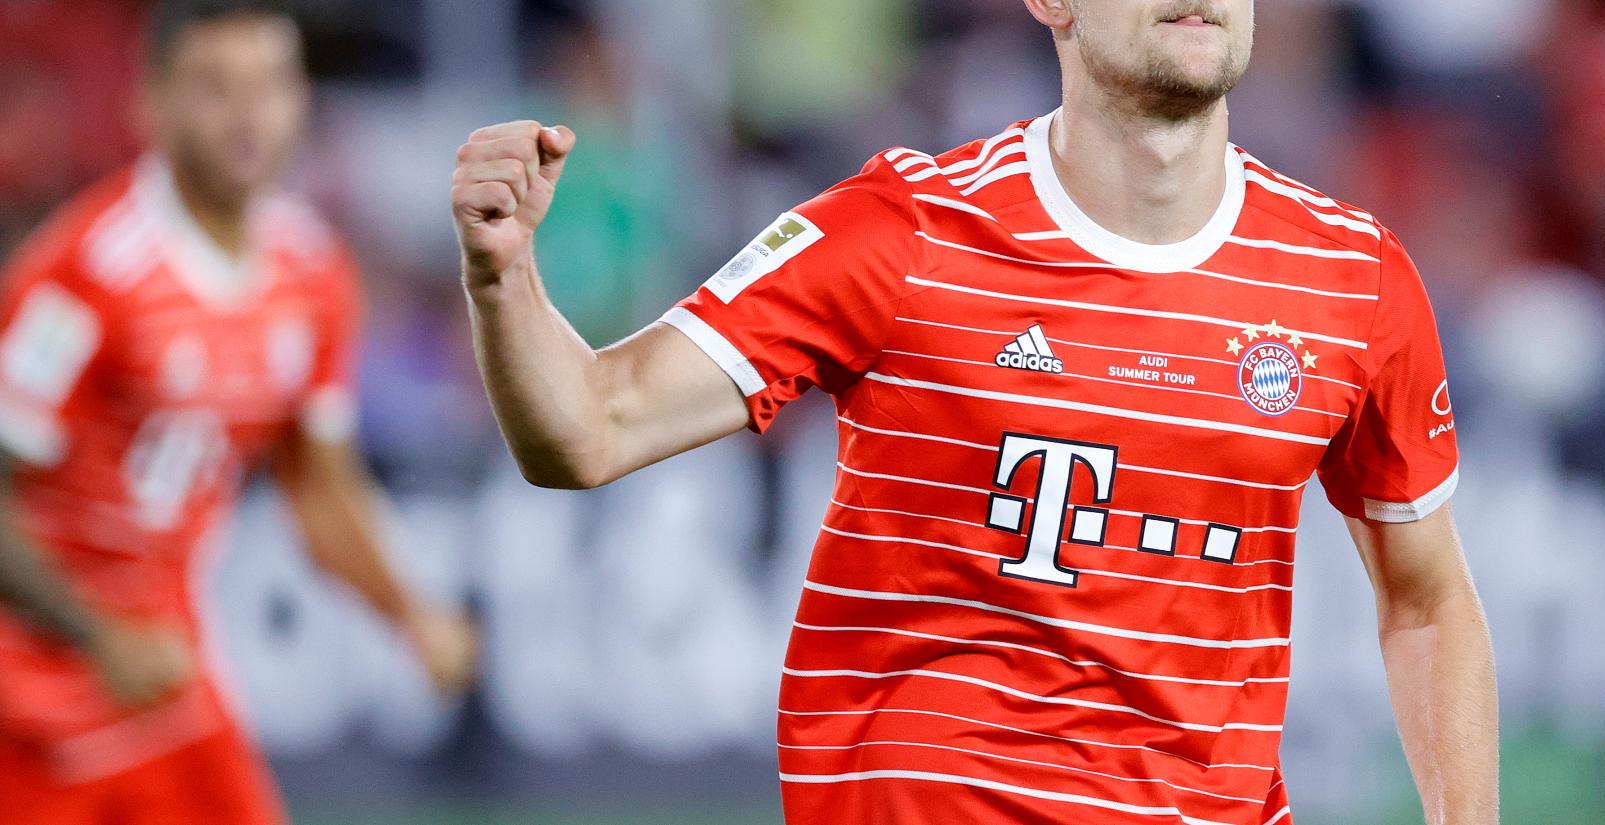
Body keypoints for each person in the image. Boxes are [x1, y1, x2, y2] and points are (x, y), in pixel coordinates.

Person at [451, 0, 1496, 822]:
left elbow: (1429, 600)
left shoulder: (1349, 279)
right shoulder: (905, 232)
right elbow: (587, 429)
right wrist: (504, 280)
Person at [0, 2, 477, 822]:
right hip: (28, 704)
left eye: (271, 85)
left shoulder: (312, 271)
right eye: (216, 87)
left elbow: (320, 487)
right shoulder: (83, 276)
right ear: (150, 102)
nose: (249, 115)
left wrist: (412, 612)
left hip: (168, 683)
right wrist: (94, 634)